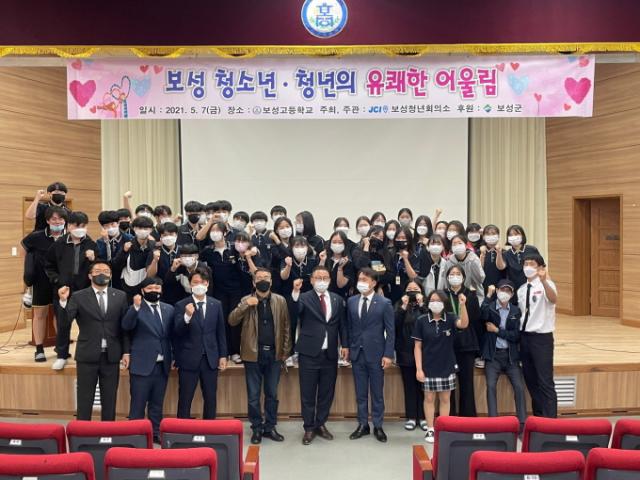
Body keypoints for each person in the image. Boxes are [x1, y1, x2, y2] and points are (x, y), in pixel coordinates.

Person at [57, 261, 130, 420]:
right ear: (90, 276)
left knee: (110, 400)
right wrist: (63, 302)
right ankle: (82, 432)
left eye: (106, 271)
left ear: (111, 275)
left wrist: (126, 352)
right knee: (84, 399)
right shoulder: (78, 296)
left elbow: (124, 327)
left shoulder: (120, 296)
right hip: (87, 355)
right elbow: (64, 323)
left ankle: (108, 431)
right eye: (97, 271)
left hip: (111, 356)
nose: (102, 273)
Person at [228, 268, 290, 444]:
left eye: (266, 277)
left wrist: (284, 352)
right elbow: (232, 320)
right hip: (252, 355)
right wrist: (246, 305)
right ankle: (256, 428)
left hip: (274, 355)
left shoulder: (280, 300)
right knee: (254, 395)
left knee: (272, 394)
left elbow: (286, 326)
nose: (263, 280)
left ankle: (270, 427)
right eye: (259, 278)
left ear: (271, 281)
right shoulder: (245, 300)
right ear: (254, 282)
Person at [292, 266, 348, 445]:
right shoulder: (304, 297)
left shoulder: (337, 299)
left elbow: (342, 324)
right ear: (312, 280)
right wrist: (295, 292)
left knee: (326, 392)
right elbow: (294, 313)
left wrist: (345, 344)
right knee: (307, 393)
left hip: (330, 354)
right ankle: (309, 427)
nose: (322, 281)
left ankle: (320, 423)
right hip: (309, 353)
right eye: (318, 277)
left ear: (330, 280)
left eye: (325, 277)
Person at [122, 277, 175, 442]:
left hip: (162, 365)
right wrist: (135, 307)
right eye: (150, 288)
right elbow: (126, 327)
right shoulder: (136, 308)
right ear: (143, 291)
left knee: (157, 404)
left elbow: (173, 335)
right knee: (138, 404)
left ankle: (156, 433)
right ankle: (135, 436)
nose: (154, 291)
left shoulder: (169, 309)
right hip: (141, 364)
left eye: (157, 288)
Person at [413, 290, 469, 443]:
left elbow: (464, 324)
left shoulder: (450, 318)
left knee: (445, 398)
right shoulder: (421, 320)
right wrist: (419, 369)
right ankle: (430, 429)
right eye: (432, 300)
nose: (435, 303)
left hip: (447, 365)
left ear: (444, 303)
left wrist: (463, 305)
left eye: (438, 300)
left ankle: (443, 429)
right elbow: (417, 346)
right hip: (428, 366)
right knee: (429, 398)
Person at [346, 268, 395, 443]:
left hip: (376, 354)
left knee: (377, 393)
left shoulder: (384, 303)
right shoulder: (351, 301)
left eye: (365, 280)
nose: (361, 282)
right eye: (359, 279)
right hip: (357, 353)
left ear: (373, 283)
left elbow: (390, 331)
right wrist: (347, 347)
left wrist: (388, 354)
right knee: (360, 393)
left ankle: (378, 425)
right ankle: (362, 424)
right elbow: (349, 327)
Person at [45, 211, 97, 370]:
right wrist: (57, 282)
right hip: (63, 292)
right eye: (76, 225)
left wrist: (94, 259)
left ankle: (88, 355)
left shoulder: (91, 244)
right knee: (63, 325)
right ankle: (61, 356)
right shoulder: (59, 244)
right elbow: (49, 266)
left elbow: (100, 267)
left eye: (83, 226)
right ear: (68, 226)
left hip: (85, 292)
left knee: (88, 325)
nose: (79, 229)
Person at [173, 268, 228, 419]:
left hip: (210, 359)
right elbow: (177, 332)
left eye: (202, 282)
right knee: (185, 398)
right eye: (196, 282)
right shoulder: (181, 305)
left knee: (210, 398)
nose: (199, 285)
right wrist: (187, 316)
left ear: (207, 283)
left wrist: (223, 355)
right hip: (188, 359)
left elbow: (220, 332)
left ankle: (209, 429)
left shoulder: (216, 304)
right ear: (190, 284)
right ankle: (181, 429)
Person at [21, 206, 68, 362]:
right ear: (47, 221)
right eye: (54, 219)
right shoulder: (36, 236)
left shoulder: (69, 237)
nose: (57, 222)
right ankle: (39, 349)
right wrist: (28, 270)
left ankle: (61, 347)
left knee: (60, 315)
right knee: (40, 315)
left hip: (61, 282)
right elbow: (23, 249)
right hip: (40, 281)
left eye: (60, 219)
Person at [481, 280, 527, 431]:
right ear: (497, 291)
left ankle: (522, 424)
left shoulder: (515, 311)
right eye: (502, 290)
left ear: (512, 294)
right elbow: (482, 314)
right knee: (490, 386)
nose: (505, 293)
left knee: (519, 387)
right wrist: (488, 295)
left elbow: (516, 336)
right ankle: (493, 423)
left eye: (508, 291)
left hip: (511, 357)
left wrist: (497, 331)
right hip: (493, 357)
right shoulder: (490, 308)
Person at [199, 221, 245, 363]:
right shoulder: (207, 251)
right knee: (222, 321)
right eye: (212, 231)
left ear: (225, 233)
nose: (215, 233)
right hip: (218, 291)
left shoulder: (234, 249)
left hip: (235, 290)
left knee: (235, 320)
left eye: (218, 230)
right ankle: (224, 351)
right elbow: (198, 239)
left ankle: (235, 351)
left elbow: (247, 253)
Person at [518, 253, 558, 418]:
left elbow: (553, 299)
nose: (528, 267)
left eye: (532, 264)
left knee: (545, 381)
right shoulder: (521, 289)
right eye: (526, 264)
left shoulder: (546, 285)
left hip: (541, 338)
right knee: (530, 380)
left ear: (541, 267)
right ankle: (539, 417)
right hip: (525, 337)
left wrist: (544, 281)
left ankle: (551, 421)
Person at [444, 265, 480, 418]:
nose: (455, 276)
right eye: (452, 274)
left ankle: (468, 418)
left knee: (467, 384)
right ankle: (449, 417)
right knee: (448, 385)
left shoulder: (470, 295)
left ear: (463, 277)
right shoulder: (443, 295)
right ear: (447, 277)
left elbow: (476, 320)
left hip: (467, 344)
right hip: (448, 345)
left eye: (458, 274)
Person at [394, 281, 427, 431]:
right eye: (409, 289)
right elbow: (394, 323)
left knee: (424, 387)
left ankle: (424, 417)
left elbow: (431, 321)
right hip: (405, 351)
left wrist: (422, 304)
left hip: (425, 352)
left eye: (416, 289)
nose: (412, 291)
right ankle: (412, 417)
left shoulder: (426, 305)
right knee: (409, 386)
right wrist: (403, 306)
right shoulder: (399, 304)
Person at [113, 216, 155, 302]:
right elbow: (116, 266)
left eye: (146, 228)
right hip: (129, 288)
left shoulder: (154, 246)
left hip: (148, 287)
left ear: (151, 230)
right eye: (139, 228)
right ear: (134, 229)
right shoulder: (127, 245)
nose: (142, 231)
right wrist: (124, 252)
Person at [446, 234, 486, 304]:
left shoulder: (474, 259)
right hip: (454, 297)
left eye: (460, 243)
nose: (457, 246)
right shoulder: (449, 262)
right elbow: (447, 282)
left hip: (474, 297)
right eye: (454, 244)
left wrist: (473, 264)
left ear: (466, 245)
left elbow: (480, 279)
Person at [319, 230, 356, 300]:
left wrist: (340, 268)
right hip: (324, 295)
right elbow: (318, 277)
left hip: (340, 298)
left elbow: (340, 285)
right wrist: (322, 261)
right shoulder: (325, 258)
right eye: (334, 242)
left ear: (345, 244)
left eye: (340, 242)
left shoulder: (348, 262)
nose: (337, 244)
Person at [503, 225, 540, 291]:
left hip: (532, 287)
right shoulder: (506, 254)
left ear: (522, 236)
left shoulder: (532, 250)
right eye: (510, 235)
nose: (513, 237)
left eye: (516, 234)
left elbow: (541, 267)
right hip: (513, 289)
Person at [480, 224, 507, 295]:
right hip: (483, 287)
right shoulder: (479, 252)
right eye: (488, 234)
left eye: (493, 233)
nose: (491, 236)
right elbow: (479, 270)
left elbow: (501, 267)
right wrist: (482, 255)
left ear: (498, 236)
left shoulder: (504, 252)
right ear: (483, 237)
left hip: (500, 288)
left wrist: (499, 252)